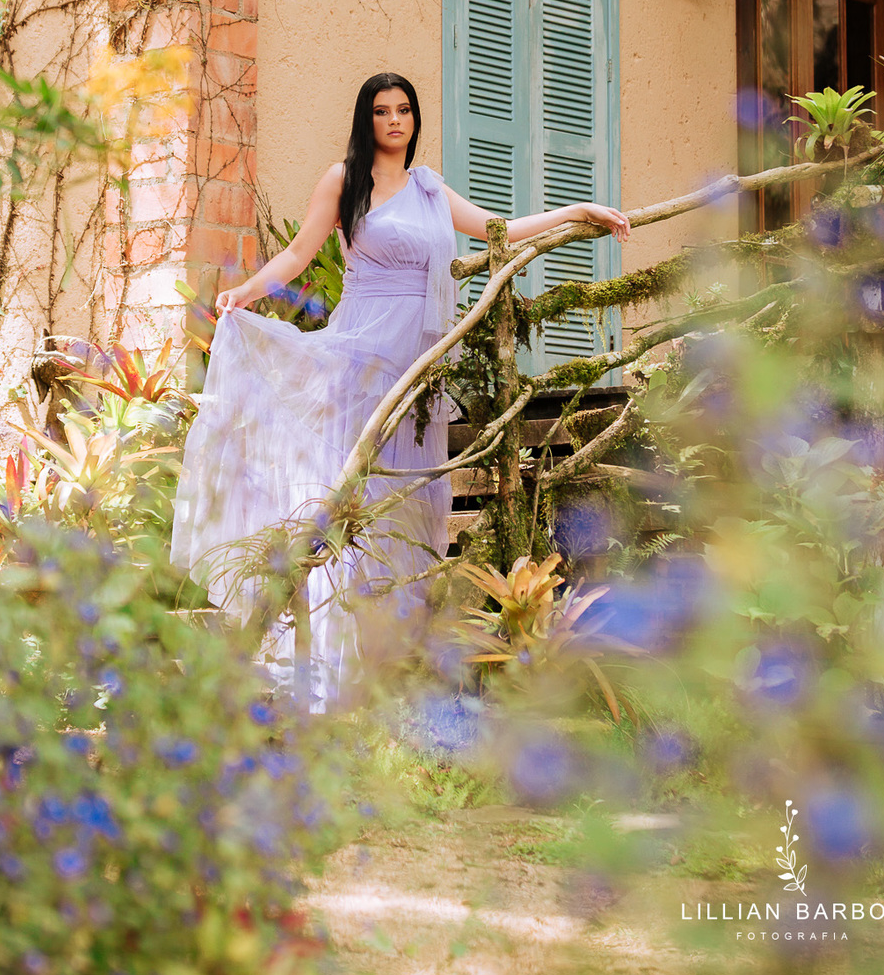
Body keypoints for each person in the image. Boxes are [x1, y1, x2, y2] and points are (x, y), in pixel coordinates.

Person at [170, 71, 630, 700]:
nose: (394, 120)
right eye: (382, 111)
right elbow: (299, 253)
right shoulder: (344, 180)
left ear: (414, 119)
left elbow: (496, 226)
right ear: (367, 119)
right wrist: (245, 292)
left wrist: (577, 212)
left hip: (418, 364)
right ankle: (327, 661)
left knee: (406, 500)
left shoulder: (430, 188)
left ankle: (390, 665)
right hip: (360, 355)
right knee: (350, 494)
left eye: (404, 110)